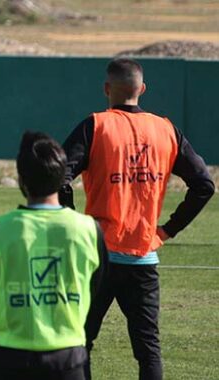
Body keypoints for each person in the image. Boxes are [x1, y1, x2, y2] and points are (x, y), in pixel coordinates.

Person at [59, 58, 215, 380]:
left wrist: (73, 221)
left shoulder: (96, 125)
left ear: (107, 89)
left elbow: (59, 176)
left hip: (97, 256)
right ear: (142, 89)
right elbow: (204, 185)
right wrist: (167, 230)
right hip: (144, 255)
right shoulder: (165, 129)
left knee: (78, 343)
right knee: (148, 350)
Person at [0, 131, 108, 380]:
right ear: (63, 177)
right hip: (68, 357)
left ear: (22, 181)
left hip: (7, 358)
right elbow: (95, 292)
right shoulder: (88, 230)